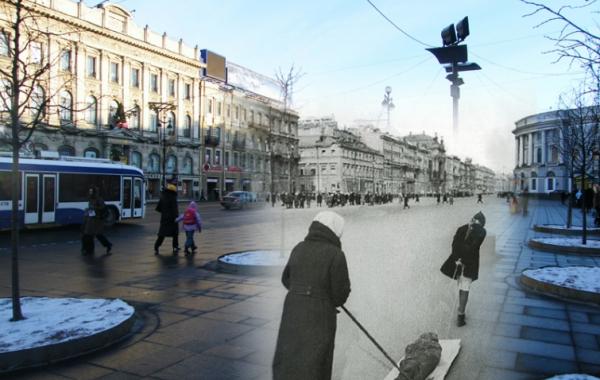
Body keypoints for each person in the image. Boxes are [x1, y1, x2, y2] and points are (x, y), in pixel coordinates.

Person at [273, 211, 351, 380]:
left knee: (289, 357)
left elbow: (286, 278)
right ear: (335, 232)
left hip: (292, 309)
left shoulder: (298, 248)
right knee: (315, 362)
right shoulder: (336, 254)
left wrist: (300, 292)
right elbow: (340, 295)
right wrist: (322, 296)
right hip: (319, 314)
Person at [440, 212, 487, 327]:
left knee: (462, 287)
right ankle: (461, 314)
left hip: (460, 264)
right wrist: (458, 259)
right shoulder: (480, 231)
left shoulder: (467, 229)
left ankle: (461, 310)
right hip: (468, 265)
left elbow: (456, 245)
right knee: (464, 288)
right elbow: (468, 247)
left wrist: (457, 259)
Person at [81, 186, 113, 255]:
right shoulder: (90, 199)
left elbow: (103, 208)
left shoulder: (99, 199)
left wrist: (94, 208)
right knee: (88, 235)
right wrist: (87, 214)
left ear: (94, 192)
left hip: (97, 221)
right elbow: (91, 210)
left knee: (95, 235)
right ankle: (88, 249)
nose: (90, 193)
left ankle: (106, 245)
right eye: (89, 191)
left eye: (91, 191)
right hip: (91, 220)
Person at [154, 180, 180, 255]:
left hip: (164, 218)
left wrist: (164, 213)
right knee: (175, 233)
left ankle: (156, 246)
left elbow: (158, 208)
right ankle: (175, 247)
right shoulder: (173, 197)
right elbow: (175, 209)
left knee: (162, 234)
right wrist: (176, 217)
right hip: (172, 219)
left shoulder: (163, 196)